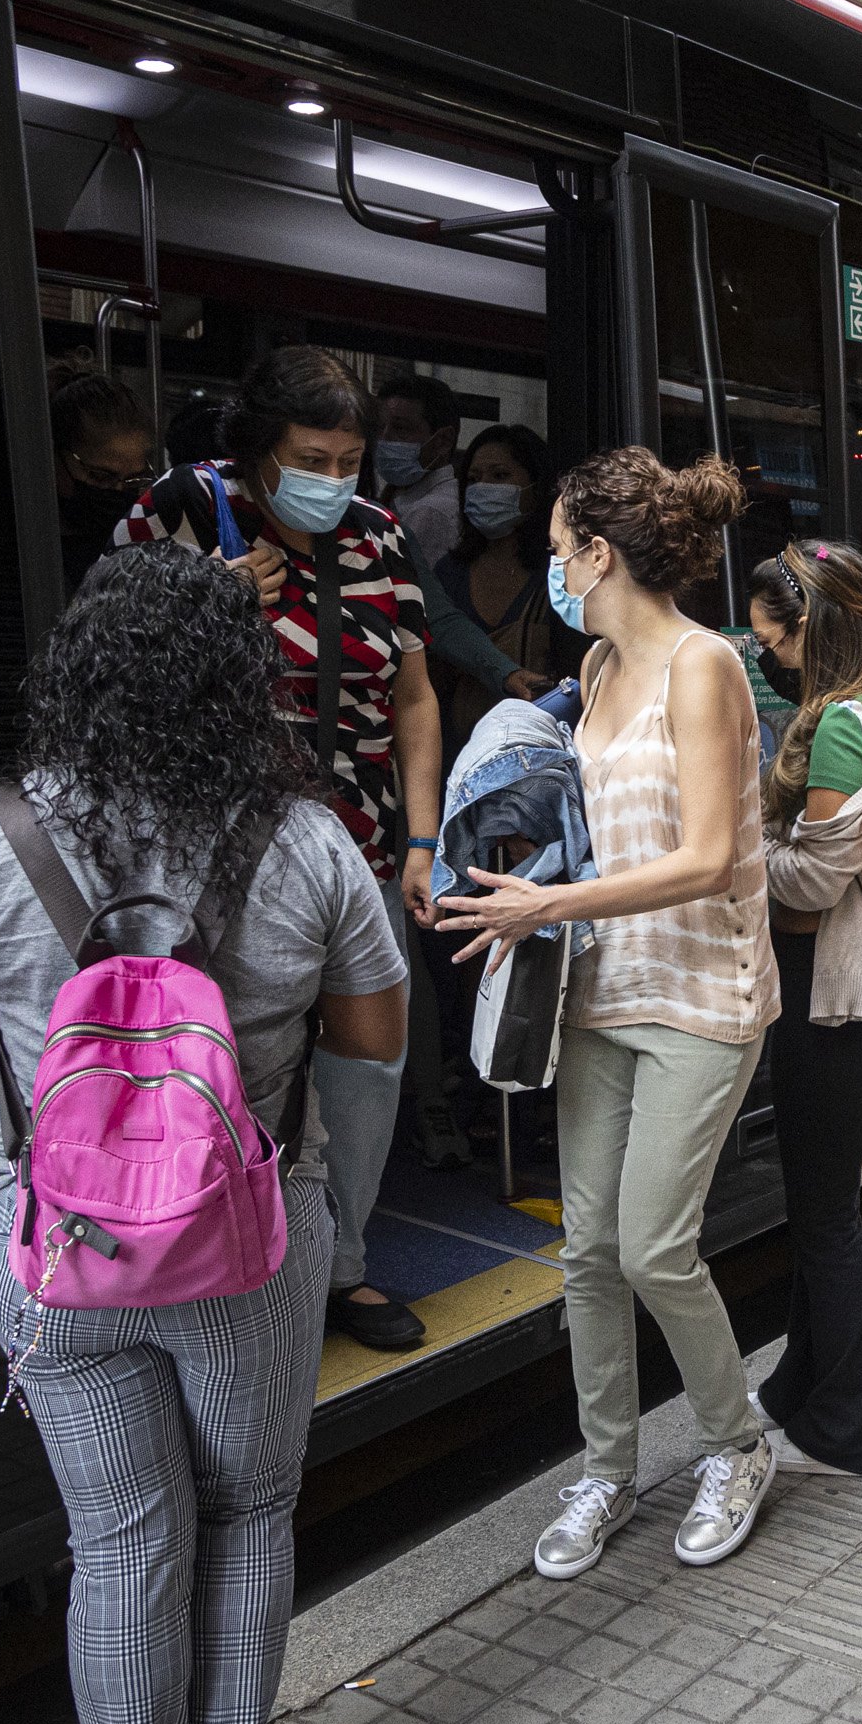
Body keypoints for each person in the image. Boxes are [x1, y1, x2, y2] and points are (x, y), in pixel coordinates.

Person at [0, 545, 409, 1724]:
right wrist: (333, 1208)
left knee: (120, 1539)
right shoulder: (307, 840)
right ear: (244, 687)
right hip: (248, 1246)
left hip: (51, 1253)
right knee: (248, 1511)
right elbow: (372, 1039)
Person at [435, 447, 782, 1577]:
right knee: (586, 1247)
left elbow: (710, 854)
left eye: (555, 549)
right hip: (602, 987)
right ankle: (608, 1469)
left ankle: (737, 1442)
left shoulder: (704, 665)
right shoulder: (592, 668)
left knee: (654, 1244)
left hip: (700, 994)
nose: (550, 566)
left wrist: (552, 902)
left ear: (600, 551)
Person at [114, 347, 443, 1352]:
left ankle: (339, 1267)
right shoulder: (173, 513)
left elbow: (415, 698)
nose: (334, 479)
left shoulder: (380, 536)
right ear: (257, 449)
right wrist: (210, 605)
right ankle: (226, 1258)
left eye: (350, 460)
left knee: (366, 1064)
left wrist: (423, 838)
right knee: (236, 1061)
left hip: (363, 845)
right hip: (224, 859)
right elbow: (112, 680)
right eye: (312, 456)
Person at [745, 539, 862, 1480]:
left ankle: (850, 1426)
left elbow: (816, 879)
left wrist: (741, 855)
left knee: (823, 1217)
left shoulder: (835, 727)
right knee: (829, 1200)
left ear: (812, 635)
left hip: (834, 990)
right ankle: (795, 1385)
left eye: (776, 644)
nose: (770, 658)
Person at [424, 423, 581, 747]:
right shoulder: (449, 573)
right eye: (474, 479)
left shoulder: (557, 575)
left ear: (535, 489)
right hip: (454, 751)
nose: (483, 488)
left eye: (499, 476)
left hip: (536, 752)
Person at [48, 360, 154, 594]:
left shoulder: (145, 540)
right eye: (100, 476)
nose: (118, 491)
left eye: (133, 480)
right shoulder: (35, 547)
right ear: (56, 458)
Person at [375, 372, 463, 563]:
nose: (383, 439)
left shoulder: (432, 512)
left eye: (400, 428)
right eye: (379, 428)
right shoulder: (399, 496)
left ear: (443, 440)